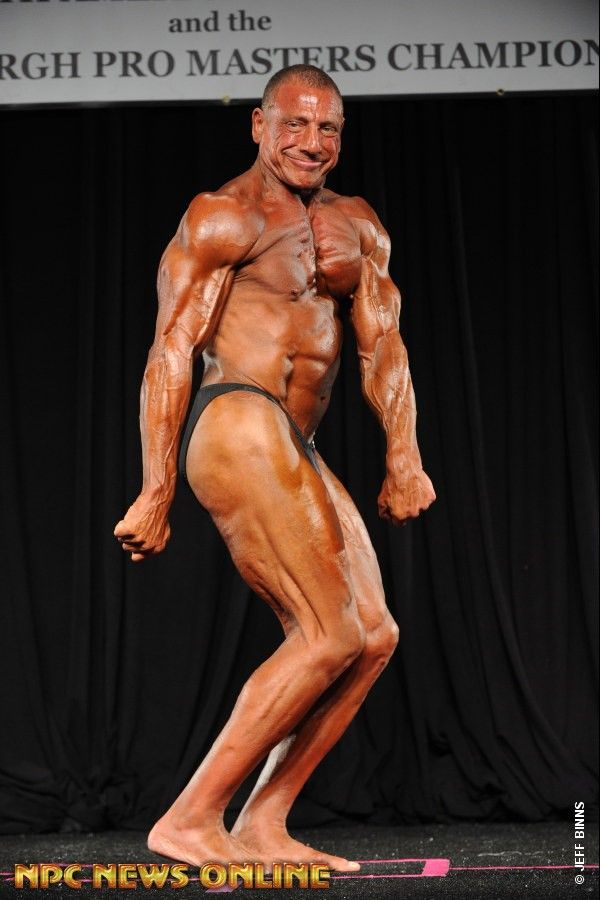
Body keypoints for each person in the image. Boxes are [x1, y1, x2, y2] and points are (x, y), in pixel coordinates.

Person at [114, 64, 435, 873]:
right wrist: (155, 487)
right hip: (234, 418)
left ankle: (264, 821)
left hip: (296, 441)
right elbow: (171, 349)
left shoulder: (358, 225)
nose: (310, 141)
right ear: (259, 126)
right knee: (329, 631)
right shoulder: (223, 215)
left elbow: (384, 345)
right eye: (294, 123)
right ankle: (190, 819)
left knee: (371, 636)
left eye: (327, 128)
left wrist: (404, 455)